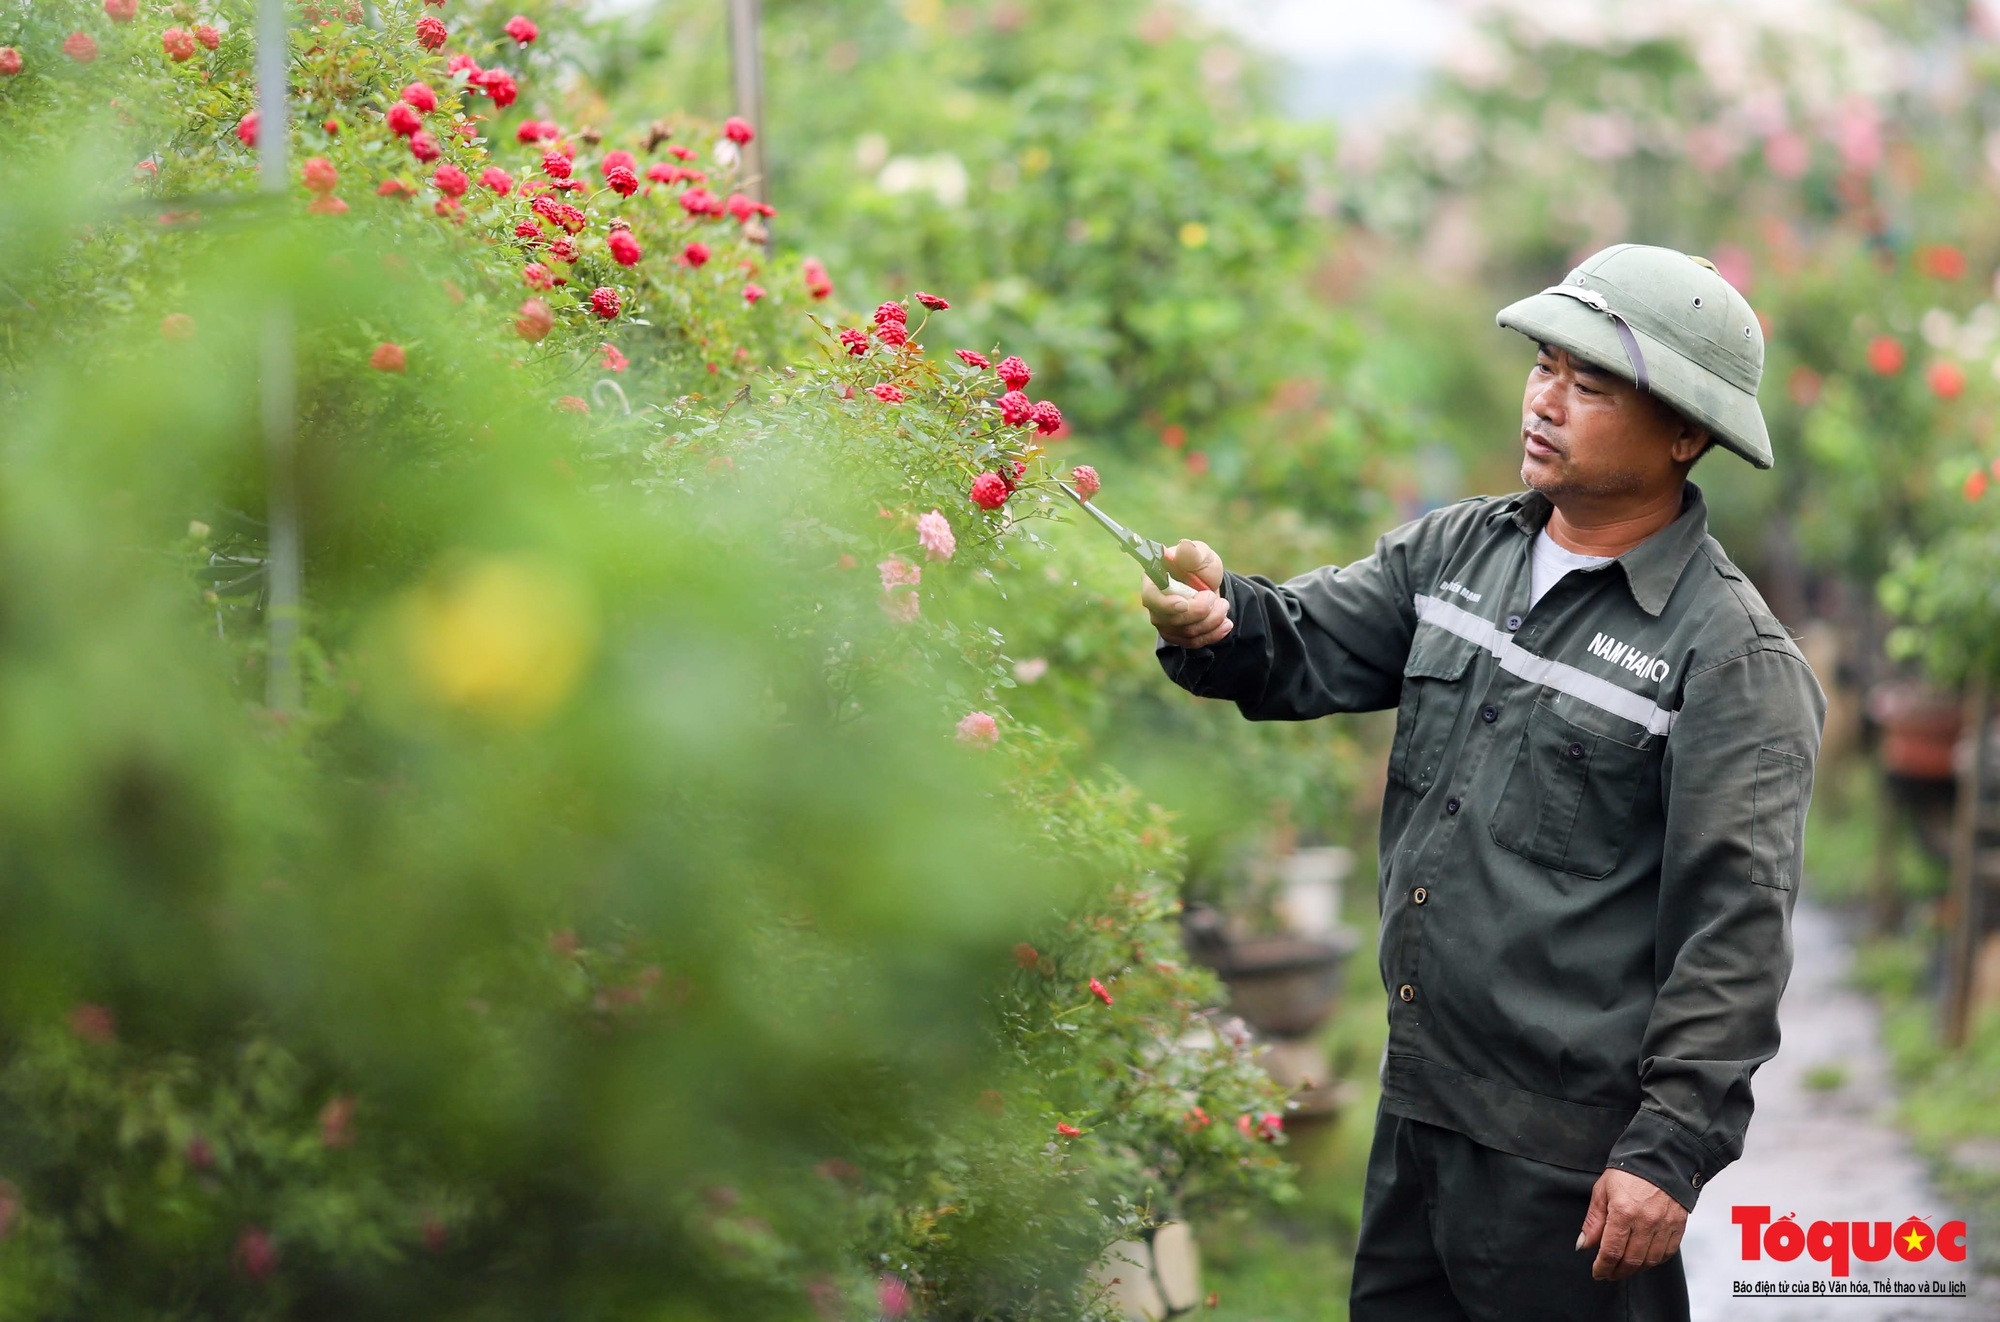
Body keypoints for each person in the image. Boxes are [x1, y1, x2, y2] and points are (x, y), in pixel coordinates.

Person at [1147, 244, 1825, 1321]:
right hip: (1418, 1111)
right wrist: (1219, 611)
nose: (1545, 400)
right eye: (1544, 364)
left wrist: (1666, 1152)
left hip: (1572, 1166)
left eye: (1589, 383)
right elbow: (1302, 638)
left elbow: (1731, 935)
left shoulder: (1727, 659)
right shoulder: (1461, 552)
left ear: (1684, 432)